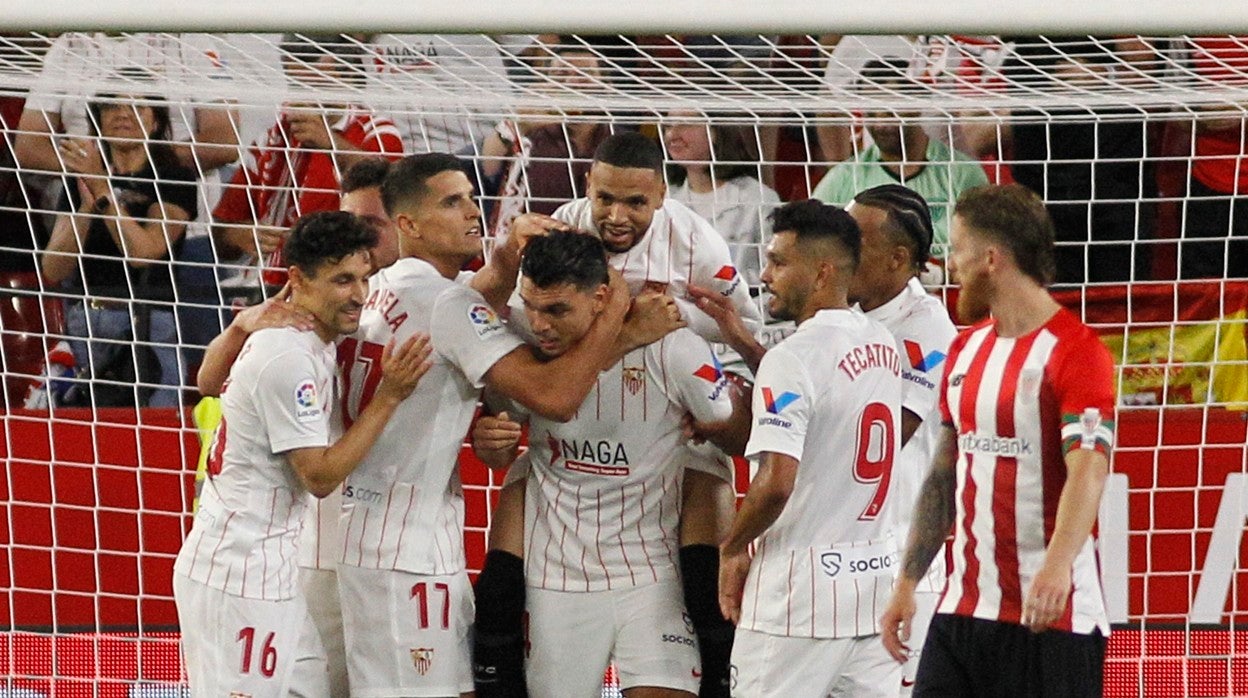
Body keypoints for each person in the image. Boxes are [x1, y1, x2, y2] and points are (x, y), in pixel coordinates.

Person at [330, 152, 684, 698]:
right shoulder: (447, 305)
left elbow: (473, 307)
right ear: (408, 225)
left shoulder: (382, 290)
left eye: (473, 197)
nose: (473, 211)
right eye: (452, 202)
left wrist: (501, 261)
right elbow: (555, 396)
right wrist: (618, 314)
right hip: (407, 549)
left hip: (366, 534)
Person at [473, 132, 763, 698]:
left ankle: (719, 668)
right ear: (587, 188)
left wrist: (724, 389)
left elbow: (743, 332)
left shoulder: (699, 245)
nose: (616, 215)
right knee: (502, 582)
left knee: (704, 563)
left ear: (662, 194)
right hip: (573, 411)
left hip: (673, 403)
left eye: (635, 202)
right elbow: (513, 334)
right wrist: (494, 425)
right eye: (605, 199)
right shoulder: (562, 230)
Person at [172, 211, 431, 698]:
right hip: (238, 574)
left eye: (363, 278)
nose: (358, 295)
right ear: (297, 279)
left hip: (273, 569)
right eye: (341, 280)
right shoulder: (288, 357)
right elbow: (318, 475)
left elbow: (207, 382)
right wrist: (389, 397)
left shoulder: (303, 337)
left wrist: (239, 326)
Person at [879, 184, 1115, 696]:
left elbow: (1090, 470)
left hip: (1053, 618)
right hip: (964, 611)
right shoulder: (963, 351)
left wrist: (1054, 570)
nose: (951, 264)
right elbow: (943, 475)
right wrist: (906, 582)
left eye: (958, 248)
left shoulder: (1077, 353)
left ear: (991, 258)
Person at [710, 200, 904, 697]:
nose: (765, 274)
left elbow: (776, 483)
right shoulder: (884, 344)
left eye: (778, 262)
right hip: (871, 587)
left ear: (821, 273)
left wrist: (732, 548)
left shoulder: (791, 358)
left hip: (795, 602)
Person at [40, 88, 199, 407]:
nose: (123, 113)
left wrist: (102, 189)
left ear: (156, 122)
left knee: (155, 424)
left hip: (150, 321)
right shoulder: (80, 180)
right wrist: (86, 207)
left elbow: (144, 252)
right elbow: (53, 268)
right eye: (111, 106)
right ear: (98, 120)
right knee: (90, 430)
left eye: (138, 106)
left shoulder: (172, 177)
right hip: (86, 320)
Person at [212, 34, 403, 290]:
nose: (302, 93)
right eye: (295, 82)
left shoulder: (377, 133)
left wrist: (330, 143)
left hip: (342, 287)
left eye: (314, 81)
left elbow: (386, 198)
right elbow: (221, 233)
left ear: (345, 75)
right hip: (268, 287)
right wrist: (240, 236)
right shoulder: (272, 139)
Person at [811, 58, 988, 266]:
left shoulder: (963, 173)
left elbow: (983, 248)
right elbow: (814, 245)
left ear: (917, 103)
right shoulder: (843, 179)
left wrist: (940, 275)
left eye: (890, 111)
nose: (880, 122)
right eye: (871, 113)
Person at [664, 111, 782, 288]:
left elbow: (777, 272)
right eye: (668, 126)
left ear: (715, 132)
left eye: (684, 124)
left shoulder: (759, 198)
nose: (672, 135)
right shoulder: (665, 201)